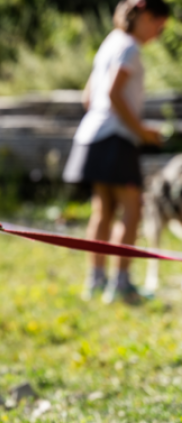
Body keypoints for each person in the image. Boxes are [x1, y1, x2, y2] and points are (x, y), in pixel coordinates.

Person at [63, 0, 170, 304]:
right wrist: (142, 132)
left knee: (103, 211)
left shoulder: (110, 42)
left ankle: (95, 281)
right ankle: (120, 285)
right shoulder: (131, 48)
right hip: (115, 139)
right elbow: (112, 94)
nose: (158, 35)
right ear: (146, 17)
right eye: (158, 27)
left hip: (92, 135)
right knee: (132, 210)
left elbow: (89, 97)